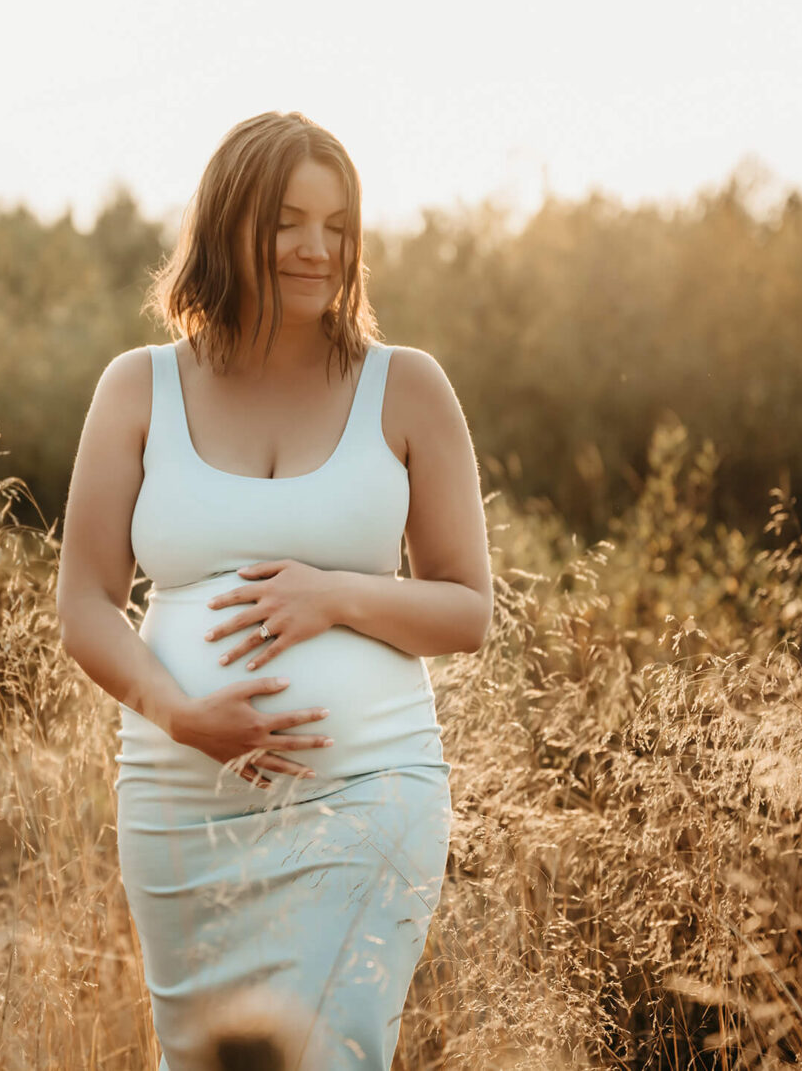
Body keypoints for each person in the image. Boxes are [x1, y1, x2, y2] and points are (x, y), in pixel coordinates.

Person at [55, 110, 493, 1070]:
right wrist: (181, 714)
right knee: (203, 1059)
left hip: (369, 789)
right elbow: (84, 602)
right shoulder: (138, 388)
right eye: (290, 220)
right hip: (182, 797)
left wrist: (335, 596)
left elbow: (468, 608)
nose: (316, 248)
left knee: (334, 1056)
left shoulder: (407, 387)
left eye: (338, 227)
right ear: (229, 224)